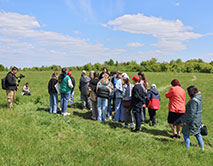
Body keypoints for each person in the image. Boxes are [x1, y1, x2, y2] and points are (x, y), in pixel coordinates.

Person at [182, 86, 204, 150]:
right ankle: (202, 148)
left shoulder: (193, 101)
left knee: (185, 134)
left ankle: (187, 148)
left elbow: (192, 113)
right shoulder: (199, 97)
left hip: (192, 121)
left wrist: (187, 122)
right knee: (197, 133)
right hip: (198, 120)